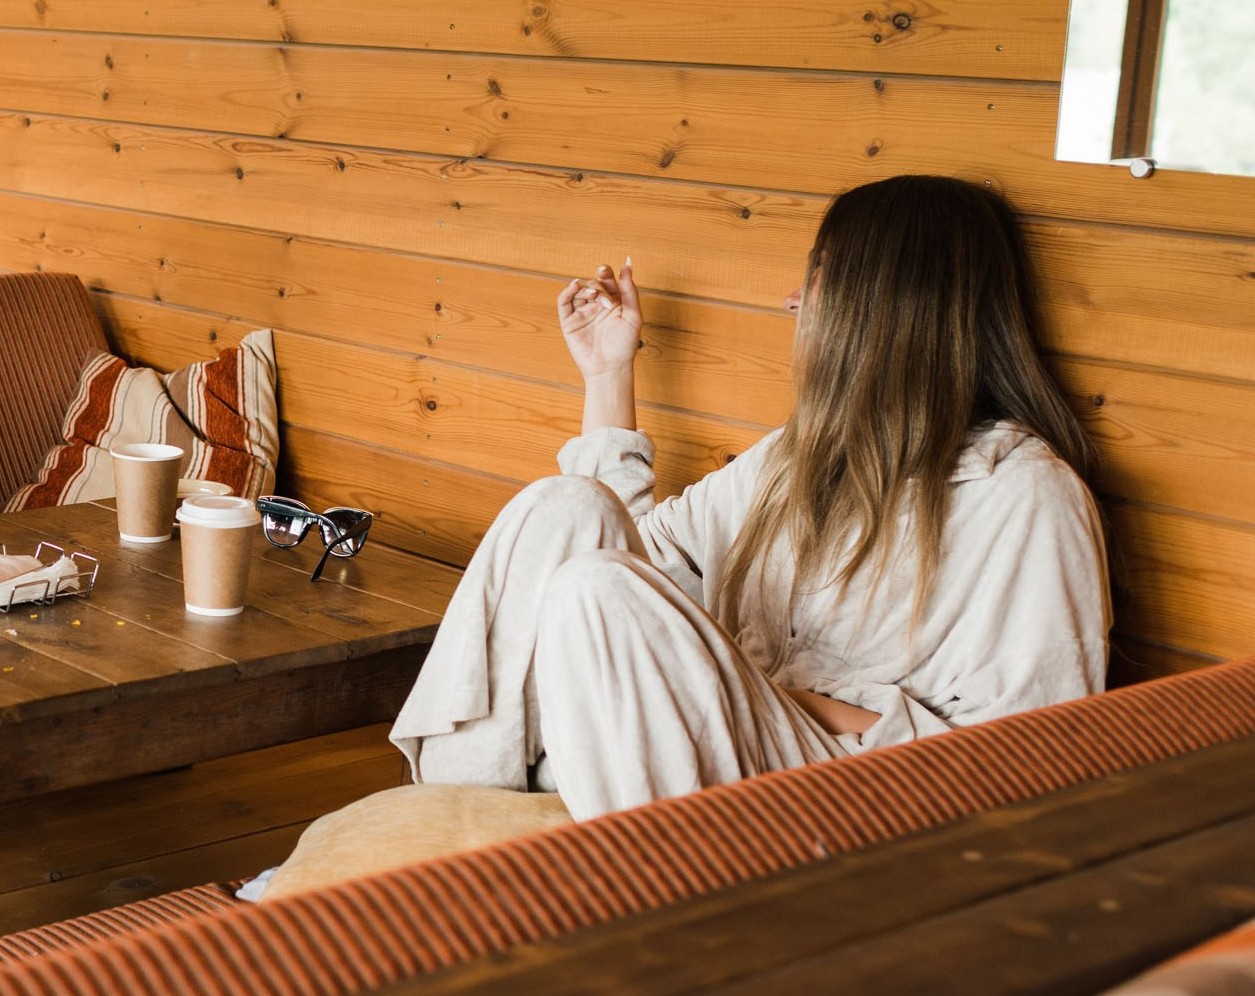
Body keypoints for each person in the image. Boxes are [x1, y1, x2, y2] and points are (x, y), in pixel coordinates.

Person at [386, 174, 1109, 821]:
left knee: (594, 589)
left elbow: (1028, 757)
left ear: (879, 306)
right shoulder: (803, 457)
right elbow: (632, 558)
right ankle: (452, 817)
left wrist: (747, 691)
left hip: (838, 802)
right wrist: (609, 373)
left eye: (818, 279)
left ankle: (474, 838)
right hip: (706, 748)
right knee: (565, 507)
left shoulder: (1024, 498)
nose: (793, 301)